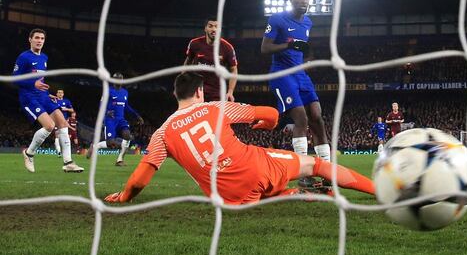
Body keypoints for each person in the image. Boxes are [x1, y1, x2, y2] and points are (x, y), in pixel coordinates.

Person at [104, 72, 374, 204]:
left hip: (228, 198)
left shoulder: (162, 132)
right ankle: (378, 191)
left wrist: (125, 197)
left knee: (253, 186)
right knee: (315, 165)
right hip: (257, 167)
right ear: (200, 92)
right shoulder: (216, 107)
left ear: (177, 95)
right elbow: (270, 113)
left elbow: (142, 176)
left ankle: (290, 193)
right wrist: (263, 124)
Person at [261, 0, 330, 188]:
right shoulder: (277, 19)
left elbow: (301, 49)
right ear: (291, 0)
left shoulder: (308, 22)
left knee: (317, 117)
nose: (304, 0)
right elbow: (265, 48)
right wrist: (288, 45)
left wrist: (304, 56)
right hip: (281, 75)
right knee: (301, 118)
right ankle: (303, 175)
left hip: (300, 74)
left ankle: (327, 171)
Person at [13, 28, 84, 173]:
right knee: (50, 126)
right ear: (30, 39)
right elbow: (15, 79)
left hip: (43, 96)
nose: (39, 41)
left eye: (42, 39)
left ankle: (68, 162)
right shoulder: (24, 57)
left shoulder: (44, 58)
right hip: (29, 97)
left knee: (63, 124)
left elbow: (40, 80)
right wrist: (33, 84)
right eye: (37, 38)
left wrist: (47, 92)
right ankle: (29, 154)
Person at [86, 73, 144, 166]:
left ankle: (119, 160)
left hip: (121, 120)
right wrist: (106, 112)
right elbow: (101, 104)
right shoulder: (108, 91)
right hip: (110, 120)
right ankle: (94, 146)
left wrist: (137, 115)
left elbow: (126, 106)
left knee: (127, 135)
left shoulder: (125, 92)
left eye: (121, 79)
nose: (119, 80)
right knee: (110, 143)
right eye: (117, 79)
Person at [184, 18, 238, 102]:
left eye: (217, 26)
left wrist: (230, 92)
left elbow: (234, 69)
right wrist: (182, 84)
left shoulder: (227, 47)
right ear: (205, 28)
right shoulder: (194, 44)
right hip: (196, 91)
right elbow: (187, 63)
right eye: (210, 26)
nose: (214, 29)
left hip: (217, 94)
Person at [51, 89, 76, 156]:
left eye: (61, 92)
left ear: (63, 94)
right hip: (56, 120)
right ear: (56, 94)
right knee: (57, 136)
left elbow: (72, 110)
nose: (60, 94)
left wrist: (66, 109)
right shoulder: (54, 100)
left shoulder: (66, 101)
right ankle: (59, 151)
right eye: (59, 92)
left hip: (64, 121)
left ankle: (65, 152)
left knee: (65, 136)